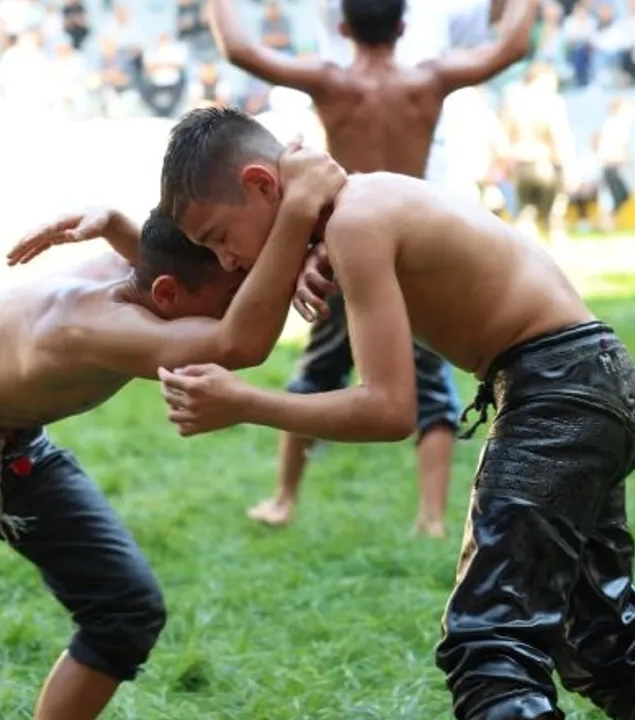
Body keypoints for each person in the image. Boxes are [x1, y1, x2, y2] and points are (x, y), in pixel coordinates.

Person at [154, 107, 635, 720]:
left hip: (559, 396)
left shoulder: (356, 222)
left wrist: (244, 402)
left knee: (491, 649)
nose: (226, 260)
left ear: (262, 184)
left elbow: (389, 409)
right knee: (605, 643)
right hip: (594, 382)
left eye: (218, 237)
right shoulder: (361, 206)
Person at [0, 148, 344, 720]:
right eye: (228, 300)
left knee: (125, 610)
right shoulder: (91, 323)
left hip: (10, 445)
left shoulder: (146, 273)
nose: (238, 307)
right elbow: (238, 343)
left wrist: (300, 251)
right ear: (168, 295)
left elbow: (187, 268)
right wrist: (298, 210)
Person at [204, 0, 536, 536]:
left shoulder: (331, 82)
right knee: (430, 386)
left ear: (341, 27)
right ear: (403, 26)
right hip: (409, 250)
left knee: (316, 373)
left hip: (342, 247)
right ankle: (431, 517)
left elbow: (240, 49)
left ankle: (283, 499)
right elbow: (512, 45)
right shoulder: (428, 80)